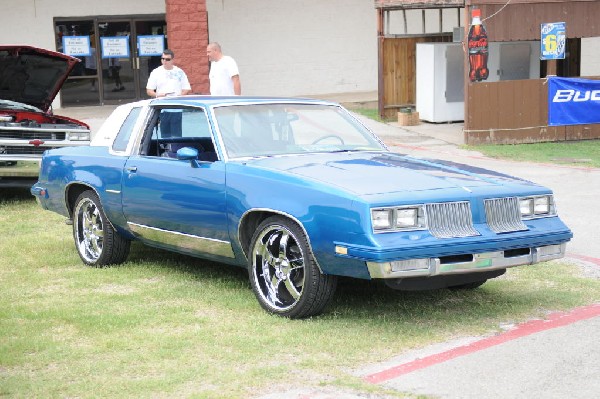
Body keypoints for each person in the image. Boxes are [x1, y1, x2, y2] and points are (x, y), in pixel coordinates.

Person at [146, 49, 191, 137]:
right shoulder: (156, 72)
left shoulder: (179, 72)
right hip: (162, 108)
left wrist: (179, 97)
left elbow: (186, 88)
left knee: (176, 135)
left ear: (173, 60)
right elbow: (149, 90)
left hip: (176, 107)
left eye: (167, 59)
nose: (164, 61)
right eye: (163, 59)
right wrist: (158, 95)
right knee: (164, 135)